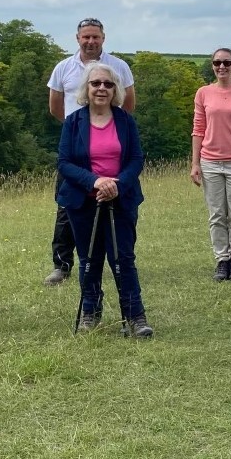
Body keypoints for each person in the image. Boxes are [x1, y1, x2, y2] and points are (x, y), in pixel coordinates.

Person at [57, 62, 151, 337]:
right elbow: (63, 162)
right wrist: (95, 181)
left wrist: (116, 185)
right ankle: (90, 310)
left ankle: (135, 315)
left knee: (123, 258)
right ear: (86, 88)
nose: (101, 88)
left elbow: (136, 159)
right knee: (89, 259)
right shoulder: (74, 122)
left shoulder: (125, 120)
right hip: (82, 201)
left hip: (121, 199)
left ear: (115, 90)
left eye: (108, 84)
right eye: (95, 83)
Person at [44, 18, 136, 286]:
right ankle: (62, 264)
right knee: (67, 206)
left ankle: (119, 257)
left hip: (111, 148)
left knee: (117, 202)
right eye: (86, 37)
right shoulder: (63, 68)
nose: (90, 41)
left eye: (95, 37)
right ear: (77, 38)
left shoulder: (118, 67)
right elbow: (55, 105)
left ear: (103, 38)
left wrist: (110, 129)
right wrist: (79, 133)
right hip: (76, 151)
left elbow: (128, 102)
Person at [191, 48, 231, 281]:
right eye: (217, 63)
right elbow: (198, 129)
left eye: (226, 62)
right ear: (212, 65)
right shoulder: (203, 93)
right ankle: (221, 260)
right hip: (210, 162)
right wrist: (195, 163)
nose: (221, 67)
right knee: (216, 214)